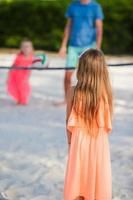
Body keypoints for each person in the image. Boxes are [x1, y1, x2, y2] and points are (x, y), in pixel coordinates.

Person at [64, 49, 113, 200]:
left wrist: (70, 142)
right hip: (99, 141)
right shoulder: (107, 93)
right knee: (97, 176)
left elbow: (68, 122)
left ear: (82, 68)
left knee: (78, 178)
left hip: (79, 141)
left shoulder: (73, 91)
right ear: (102, 70)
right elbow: (108, 120)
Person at [59, 0, 104, 104]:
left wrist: (98, 47)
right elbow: (68, 26)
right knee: (67, 76)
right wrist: (63, 46)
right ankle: (67, 100)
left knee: (90, 76)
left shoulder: (96, 7)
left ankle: (91, 100)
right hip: (73, 47)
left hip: (89, 46)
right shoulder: (73, 6)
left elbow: (99, 28)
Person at [7, 39, 34, 105]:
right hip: (16, 75)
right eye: (23, 46)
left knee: (24, 88)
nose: (25, 48)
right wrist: (9, 74)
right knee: (16, 87)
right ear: (21, 48)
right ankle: (19, 99)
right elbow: (13, 65)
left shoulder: (32, 57)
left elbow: (32, 67)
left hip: (24, 75)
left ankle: (23, 100)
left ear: (31, 48)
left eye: (27, 46)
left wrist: (28, 76)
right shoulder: (19, 56)